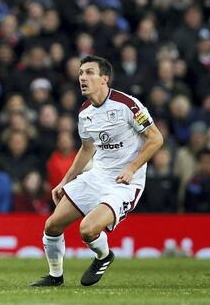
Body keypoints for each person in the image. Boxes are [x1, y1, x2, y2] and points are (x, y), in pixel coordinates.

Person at [30, 55, 163, 287]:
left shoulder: (127, 105)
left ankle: (104, 256)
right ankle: (55, 276)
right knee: (52, 226)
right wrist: (65, 180)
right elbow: (86, 149)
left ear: (105, 79)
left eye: (89, 72)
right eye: (81, 73)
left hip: (125, 183)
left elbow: (156, 138)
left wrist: (131, 168)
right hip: (97, 176)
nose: (83, 77)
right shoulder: (84, 113)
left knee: (87, 230)